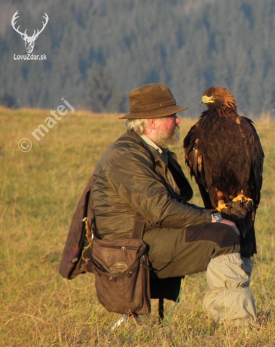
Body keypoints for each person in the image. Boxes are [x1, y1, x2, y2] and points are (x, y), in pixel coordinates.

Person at [91, 83, 256, 326]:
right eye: (172, 116)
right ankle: (238, 323)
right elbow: (161, 210)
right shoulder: (125, 156)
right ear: (151, 121)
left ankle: (237, 311)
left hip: (148, 234)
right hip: (129, 247)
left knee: (236, 228)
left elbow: (172, 203)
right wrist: (212, 218)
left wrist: (217, 214)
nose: (178, 122)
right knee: (223, 235)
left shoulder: (152, 152)